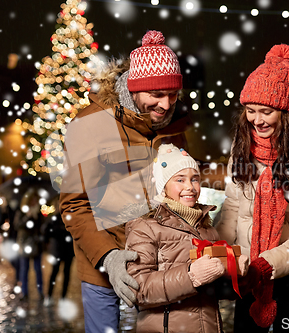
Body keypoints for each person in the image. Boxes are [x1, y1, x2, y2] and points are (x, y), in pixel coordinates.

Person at [59, 30, 190, 332]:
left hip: (161, 266)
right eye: (156, 95)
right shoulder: (90, 124)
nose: (166, 104)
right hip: (105, 267)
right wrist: (109, 256)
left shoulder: (173, 125)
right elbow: (73, 206)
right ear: (132, 88)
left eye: (172, 95)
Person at [216, 44, 289, 332]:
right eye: (250, 110)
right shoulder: (242, 146)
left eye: (266, 111)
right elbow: (233, 208)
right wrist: (220, 252)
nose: (256, 120)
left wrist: (267, 265)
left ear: (285, 112)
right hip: (248, 273)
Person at [126, 144, 249, 333]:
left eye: (195, 179)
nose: (190, 187)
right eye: (180, 180)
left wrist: (234, 273)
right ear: (163, 186)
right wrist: (191, 275)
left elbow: (214, 291)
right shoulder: (145, 227)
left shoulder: (207, 229)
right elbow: (137, 289)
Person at [42, 197, 75, 306]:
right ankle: (49, 296)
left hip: (68, 250)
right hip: (58, 250)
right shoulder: (54, 219)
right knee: (54, 273)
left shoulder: (69, 218)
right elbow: (46, 233)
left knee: (66, 274)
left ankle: (63, 297)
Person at [14, 188, 44, 301]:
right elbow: (17, 225)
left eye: (36, 200)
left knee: (38, 269)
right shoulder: (22, 212)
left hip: (36, 245)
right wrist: (27, 216)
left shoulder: (39, 213)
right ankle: (24, 292)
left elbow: (42, 228)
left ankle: (40, 292)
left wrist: (36, 218)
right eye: (32, 200)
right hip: (24, 243)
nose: (34, 202)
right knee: (24, 269)